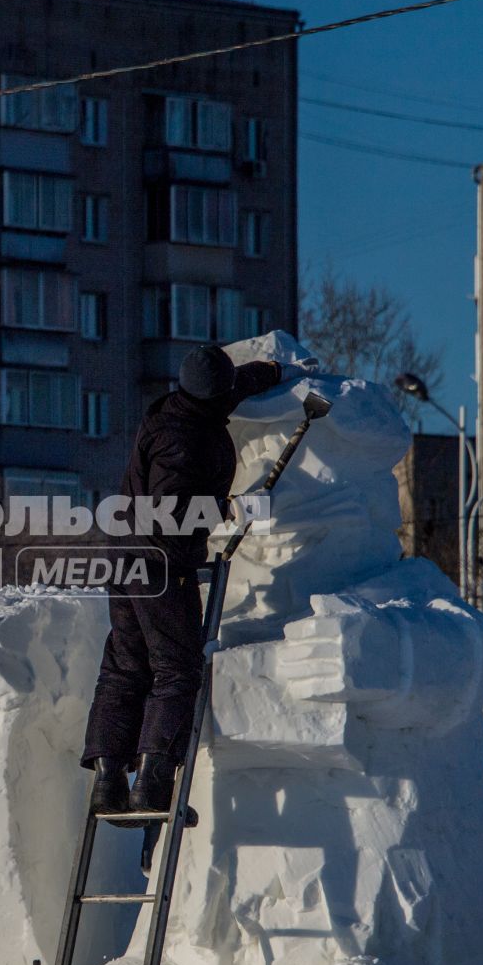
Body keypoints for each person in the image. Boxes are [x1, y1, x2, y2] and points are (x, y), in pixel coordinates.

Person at [79, 345, 285, 815]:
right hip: (159, 563)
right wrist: (231, 509)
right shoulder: (186, 440)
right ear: (214, 396)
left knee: (125, 668)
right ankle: (153, 781)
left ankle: (108, 782)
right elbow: (169, 512)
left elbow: (230, 390)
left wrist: (271, 372)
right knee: (176, 669)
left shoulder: (177, 409)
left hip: (123, 554)